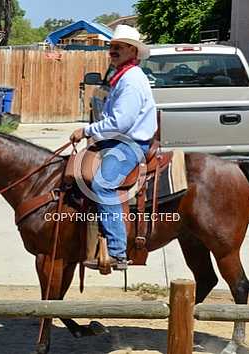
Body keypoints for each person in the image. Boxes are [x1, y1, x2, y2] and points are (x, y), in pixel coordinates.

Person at [70, 25, 157, 270]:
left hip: (130, 144)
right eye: (112, 47)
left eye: (118, 47)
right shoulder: (124, 75)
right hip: (119, 140)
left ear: (132, 50)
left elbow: (121, 122)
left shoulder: (130, 80)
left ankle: (117, 251)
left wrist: (87, 131)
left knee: (102, 184)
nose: (113, 51)